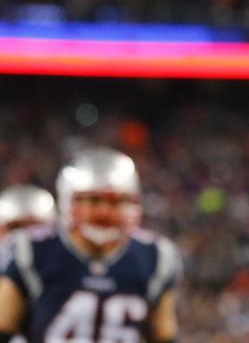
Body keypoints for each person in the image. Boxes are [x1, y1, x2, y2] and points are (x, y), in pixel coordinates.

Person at [0, 147, 181, 343]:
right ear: (70, 202)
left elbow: (164, 335)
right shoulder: (32, 249)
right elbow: (4, 328)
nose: (104, 212)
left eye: (115, 202)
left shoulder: (154, 255)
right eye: (93, 200)